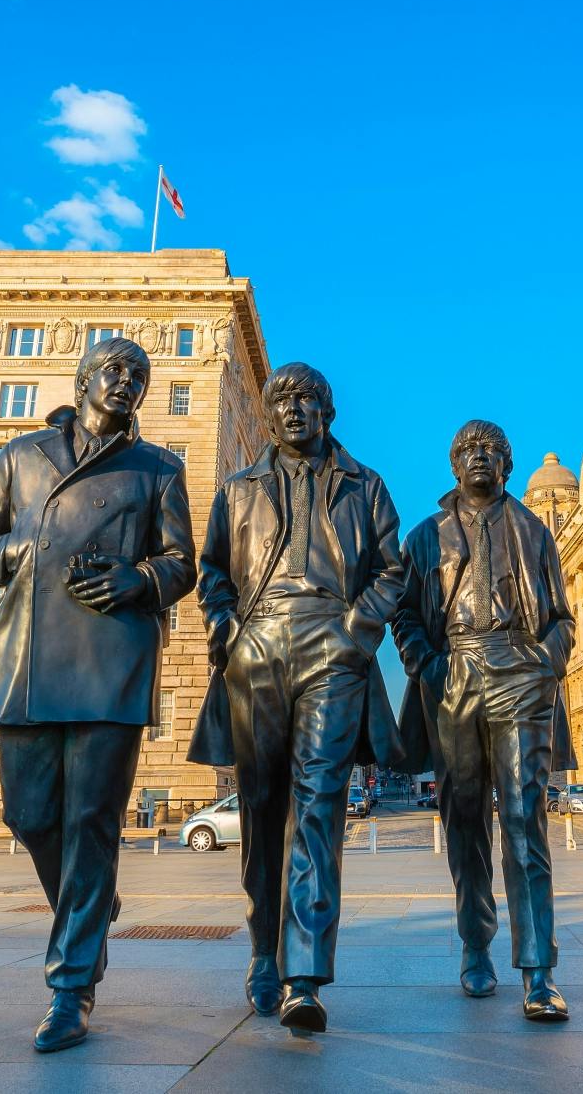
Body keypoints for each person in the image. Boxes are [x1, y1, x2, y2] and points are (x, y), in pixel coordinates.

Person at [0, 337, 194, 1054]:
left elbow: (181, 561)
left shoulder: (158, 468)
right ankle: (92, 899)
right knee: (29, 815)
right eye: (115, 371)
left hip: (111, 656)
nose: (127, 383)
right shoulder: (19, 456)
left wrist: (137, 582)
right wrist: (18, 552)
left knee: (91, 820)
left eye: (140, 376)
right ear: (86, 378)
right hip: (26, 654)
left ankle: (71, 986)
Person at [187, 362, 405, 1035]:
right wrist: (227, 631)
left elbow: (393, 569)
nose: (294, 410)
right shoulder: (238, 488)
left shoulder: (365, 486)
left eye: (308, 400)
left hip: (331, 645)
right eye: (282, 401)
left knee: (318, 806)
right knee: (261, 807)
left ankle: (303, 975)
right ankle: (263, 947)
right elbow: (213, 571)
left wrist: (356, 633)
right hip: (257, 646)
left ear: (327, 413)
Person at [394, 420, 577, 1022]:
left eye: (491, 451)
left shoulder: (533, 530)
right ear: (453, 465)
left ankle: (539, 969)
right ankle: (476, 946)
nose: (479, 458)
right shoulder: (425, 538)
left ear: (508, 464)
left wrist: (544, 663)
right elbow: (404, 617)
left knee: (527, 820)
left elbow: (561, 618)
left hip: (520, 673)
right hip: (456, 676)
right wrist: (429, 665)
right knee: (465, 819)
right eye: (468, 451)